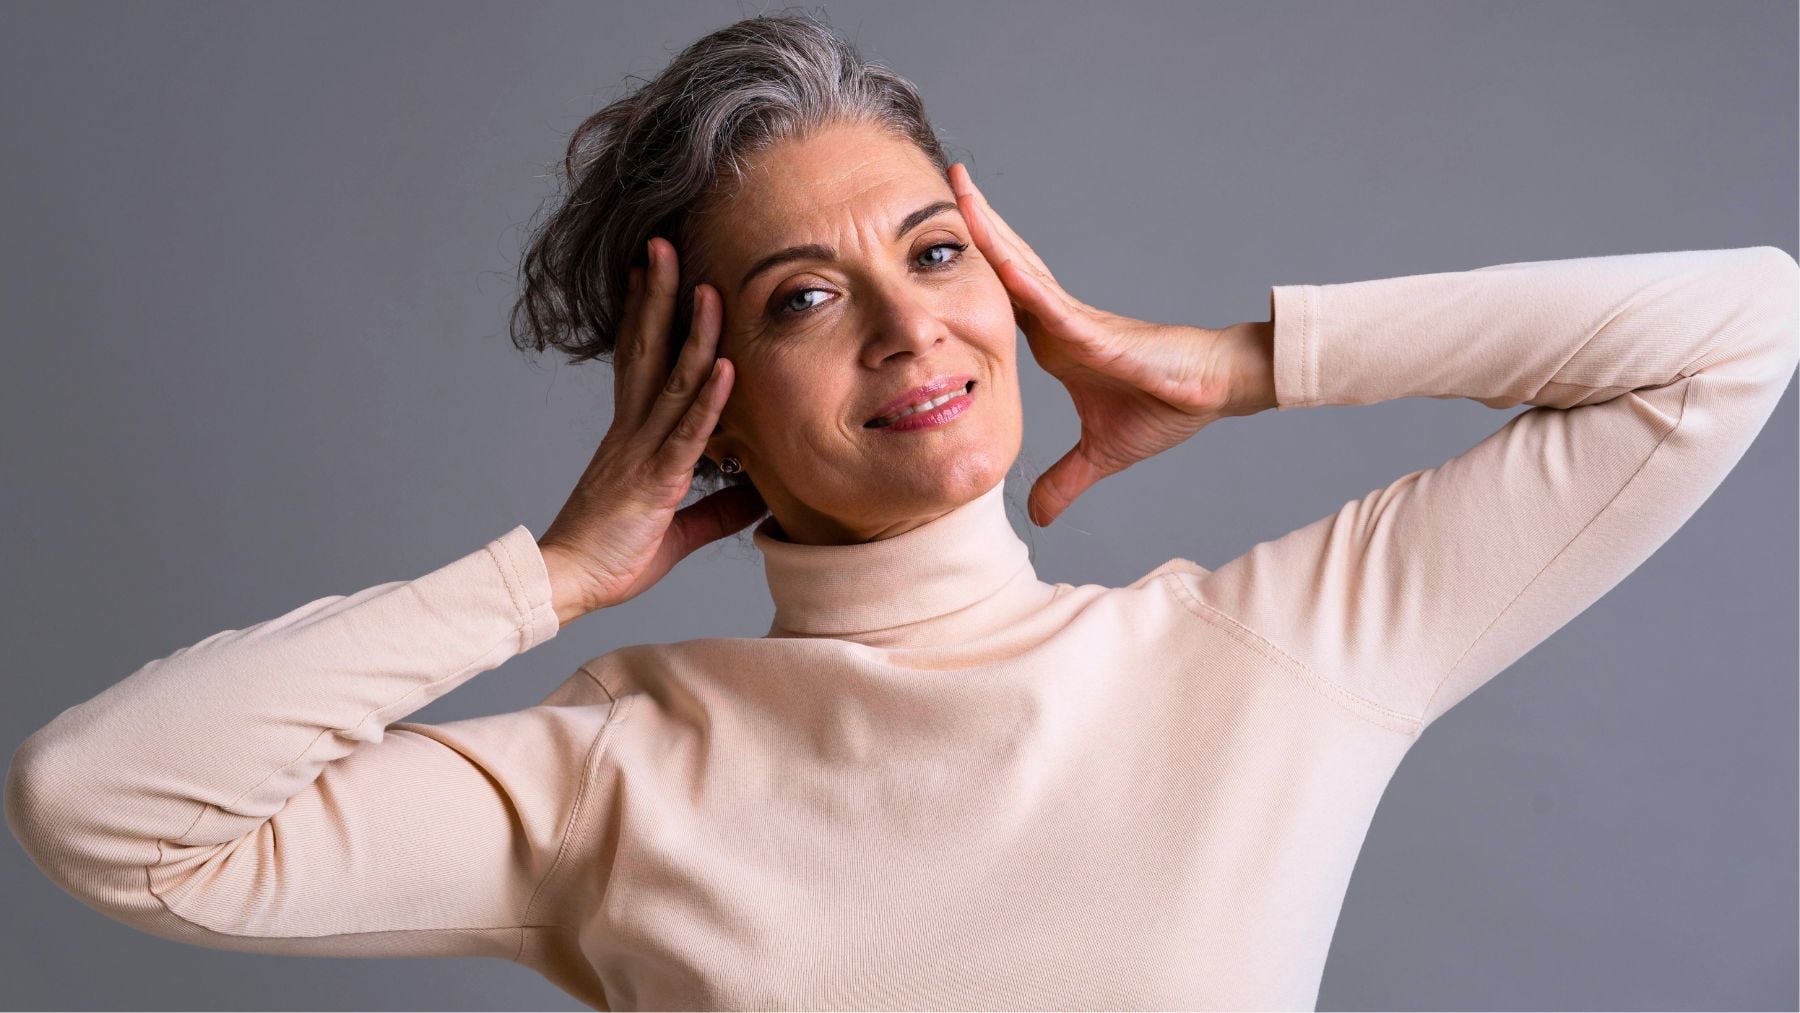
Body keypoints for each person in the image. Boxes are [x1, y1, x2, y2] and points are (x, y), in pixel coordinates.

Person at [6, 10, 1796, 1012]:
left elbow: (1739, 332)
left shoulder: (1262, 657)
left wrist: (1235, 363)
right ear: (702, 399)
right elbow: (103, 810)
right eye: (804, 295)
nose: (908, 324)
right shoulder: (618, 771)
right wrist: (544, 580)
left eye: (936, 253)